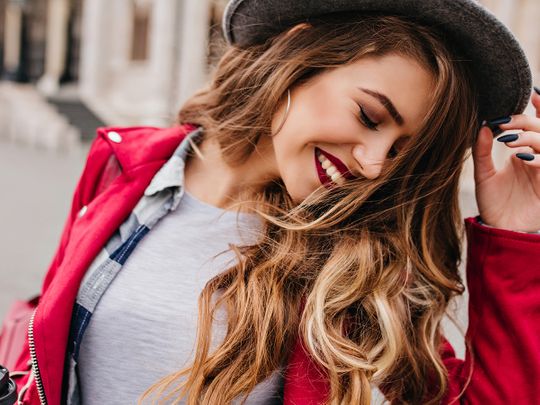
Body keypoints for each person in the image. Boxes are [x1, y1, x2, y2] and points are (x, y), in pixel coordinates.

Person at [7, 0, 540, 404]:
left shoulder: (365, 269)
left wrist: (517, 238)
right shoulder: (127, 165)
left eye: (401, 152)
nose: (376, 165)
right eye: (370, 118)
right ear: (301, 56)